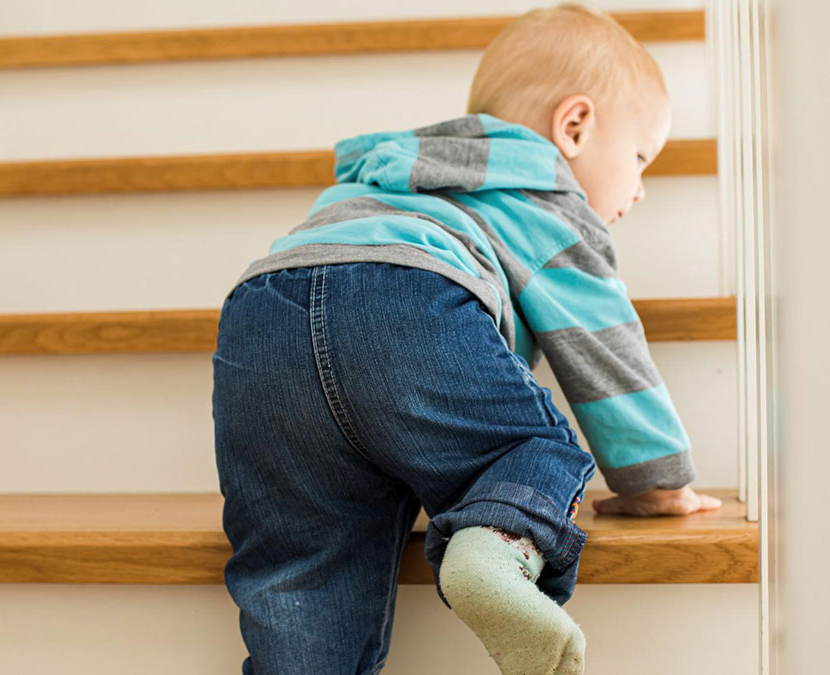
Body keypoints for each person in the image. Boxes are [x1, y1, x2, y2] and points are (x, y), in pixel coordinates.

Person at [212, 3, 722, 673]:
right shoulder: (546, 194)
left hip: (261, 315)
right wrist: (656, 481)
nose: (641, 189)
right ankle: (496, 543)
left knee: (303, 567)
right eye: (638, 157)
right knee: (527, 447)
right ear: (574, 126)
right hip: (408, 302)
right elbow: (603, 346)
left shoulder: (393, 175)